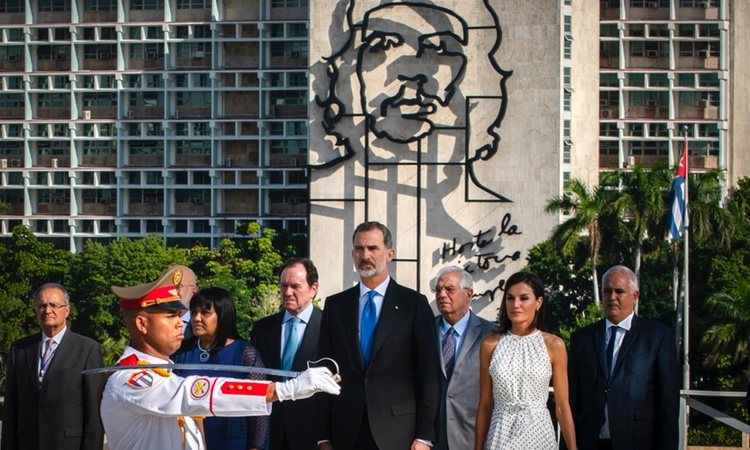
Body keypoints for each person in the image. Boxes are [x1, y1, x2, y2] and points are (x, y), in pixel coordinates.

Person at [101, 271, 341, 450]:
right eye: (170, 316)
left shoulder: (167, 371)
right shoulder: (130, 380)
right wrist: (287, 389)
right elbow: (198, 393)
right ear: (142, 324)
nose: (180, 322)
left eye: (179, 314)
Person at [316, 221, 441, 450]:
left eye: (373, 248)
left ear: (389, 254)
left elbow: (429, 373)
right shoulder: (336, 306)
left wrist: (424, 436)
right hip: (346, 431)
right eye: (359, 249)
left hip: (398, 433)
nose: (365, 255)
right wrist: (323, 436)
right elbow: (324, 370)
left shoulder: (413, 304)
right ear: (352, 254)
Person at [567, 265, 679, 450]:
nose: (612, 297)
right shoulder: (582, 339)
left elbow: (667, 402)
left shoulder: (658, 336)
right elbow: (573, 398)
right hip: (590, 441)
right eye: (607, 291)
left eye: (619, 291)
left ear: (635, 296)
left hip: (638, 441)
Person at [475, 271, 576, 450]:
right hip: (500, 435)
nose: (516, 305)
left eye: (524, 298)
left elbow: (561, 406)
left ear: (539, 302)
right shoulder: (490, 344)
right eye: (510, 298)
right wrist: (478, 447)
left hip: (539, 435)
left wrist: (573, 447)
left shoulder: (554, 345)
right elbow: (484, 404)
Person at [1, 283, 104, 450]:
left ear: (67, 310)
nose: (47, 310)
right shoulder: (19, 349)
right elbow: (11, 406)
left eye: (54, 305)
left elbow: (94, 411)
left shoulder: (87, 349)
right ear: (36, 310)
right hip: (27, 443)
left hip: (68, 444)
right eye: (42, 305)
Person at [172, 287, 269, 450]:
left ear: (223, 316)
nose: (196, 318)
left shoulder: (245, 353)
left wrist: (257, 447)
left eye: (205, 313)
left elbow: (258, 408)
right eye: (194, 312)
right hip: (188, 442)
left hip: (232, 443)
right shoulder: (181, 353)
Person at [251, 257, 322, 450]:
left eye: (295, 286)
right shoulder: (262, 329)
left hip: (313, 435)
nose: (288, 292)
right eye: (283, 286)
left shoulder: (329, 327)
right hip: (270, 433)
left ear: (313, 289)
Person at [433, 266, 496, 450]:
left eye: (449, 289)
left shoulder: (491, 334)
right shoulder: (424, 330)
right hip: (432, 437)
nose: (442, 295)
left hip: (473, 435)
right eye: (438, 290)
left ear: (468, 294)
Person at [161, 264, 199, 338]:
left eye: (178, 287)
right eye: (167, 287)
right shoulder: (154, 322)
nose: (171, 292)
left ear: (194, 290)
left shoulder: (203, 323)